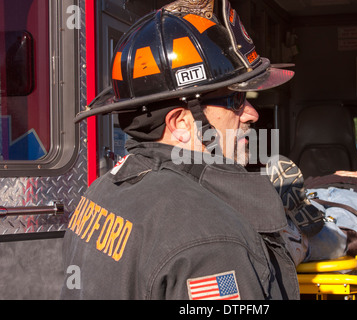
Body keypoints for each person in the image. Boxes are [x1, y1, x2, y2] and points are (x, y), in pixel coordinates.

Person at [61, 0, 299, 300]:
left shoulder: (101, 191)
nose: (252, 113)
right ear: (181, 123)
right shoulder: (214, 239)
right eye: (236, 101)